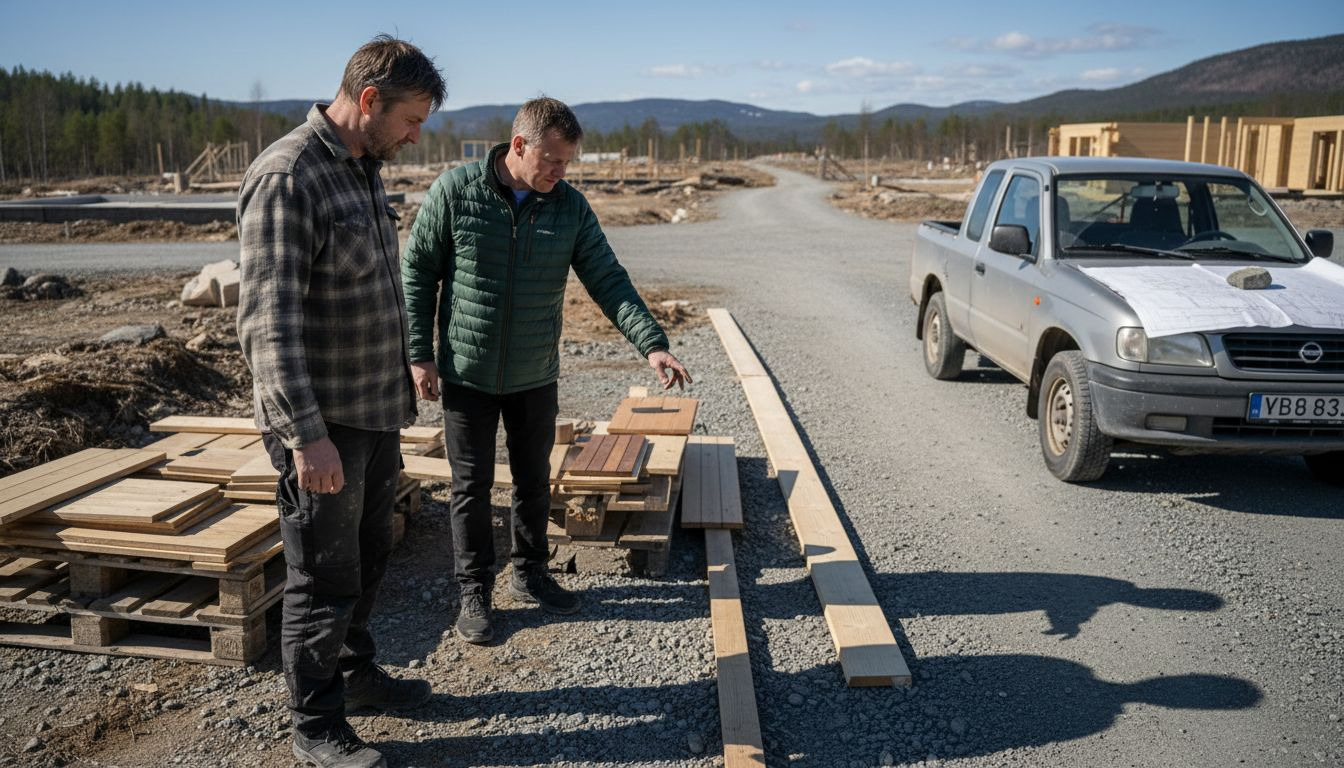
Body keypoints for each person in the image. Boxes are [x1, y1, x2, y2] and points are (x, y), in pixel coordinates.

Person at [402, 97, 691, 645]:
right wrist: (419, 353)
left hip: (535, 372)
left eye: (567, 164)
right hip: (467, 370)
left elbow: (608, 279)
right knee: (471, 485)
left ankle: (530, 573)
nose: (561, 174)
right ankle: (475, 590)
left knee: (536, 479)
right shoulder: (457, 192)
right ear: (519, 146)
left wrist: (651, 344)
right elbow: (417, 272)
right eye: (553, 161)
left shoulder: (569, 208)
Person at [237, 35, 446, 768]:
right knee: (322, 577)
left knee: (365, 554)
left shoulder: (360, 168)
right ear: (368, 101)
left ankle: (356, 678)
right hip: (322, 425)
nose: (416, 136)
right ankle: (315, 723)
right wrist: (304, 435)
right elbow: (268, 324)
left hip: (372, 409)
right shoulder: (289, 177)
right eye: (411, 120)